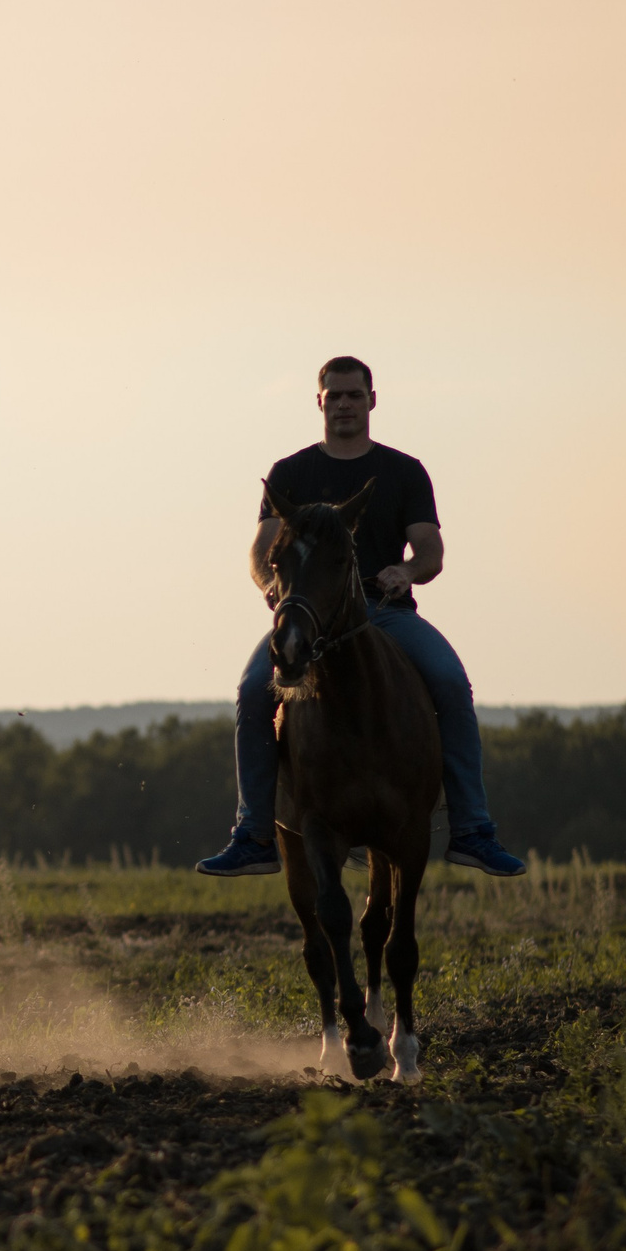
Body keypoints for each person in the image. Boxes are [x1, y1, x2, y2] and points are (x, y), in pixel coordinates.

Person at [195, 356, 530, 880]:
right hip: (306, 615)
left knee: (450, 681)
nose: (345, 404)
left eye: (355, 395)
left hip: (384, 613)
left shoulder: (403, 471)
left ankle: (473, 829)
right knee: (251, 690)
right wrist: (271, 588)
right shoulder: (290, 474)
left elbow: (431, 552)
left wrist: (407, 571)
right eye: (335, 395)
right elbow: (262, 552)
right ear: (319, 402)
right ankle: (253, 834)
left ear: (372, 400)